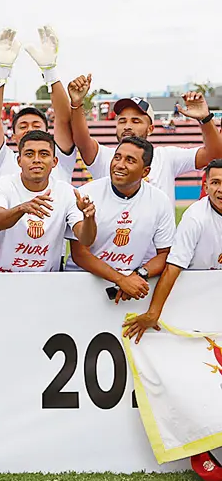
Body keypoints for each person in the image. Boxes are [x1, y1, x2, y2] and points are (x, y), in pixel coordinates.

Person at [69, 82, 222, 206]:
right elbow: (82, 141)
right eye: (122, 121)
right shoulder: (104, 157)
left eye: (136, 121)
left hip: (159, 244)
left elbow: (214, 155)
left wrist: (205, 119)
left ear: (150, 129)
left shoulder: (166, 157)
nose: (127, 126)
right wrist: (76, 104)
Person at [125, 158, 222, 342]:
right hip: (194, 296)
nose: (221, 189)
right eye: (215, 182)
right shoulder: (195, 218)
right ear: (206, 186)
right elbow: (173, 267)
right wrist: (153, 313)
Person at [69, 137, 175, 303]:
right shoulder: (86, 194)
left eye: (130, 160)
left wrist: (137, 276)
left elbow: (165, 254)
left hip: (127, 288)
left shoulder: (160, 200)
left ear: (145, 171)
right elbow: (79, 254)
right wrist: (121, 280)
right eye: (117, 157)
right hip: (80, 284)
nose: (119, 164)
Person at [0, 131, 97, 272]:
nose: (37, 159)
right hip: (0, 278)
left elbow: (86, 239)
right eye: (29, 154)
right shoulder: (2, 185)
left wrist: (89, 217)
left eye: (44, 154)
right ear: (19, 161)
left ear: (54, 161)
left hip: (46, 282)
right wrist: (22, 208)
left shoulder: (66, 192)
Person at [0, 27, 78, 185]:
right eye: (23, 126)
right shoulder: (1, 160)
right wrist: (2, 71)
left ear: (48, 133)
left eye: (36, 125)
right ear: (13, 137)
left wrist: (50, 71)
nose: (29, 129)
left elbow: (64, 119)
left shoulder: (60, 158)